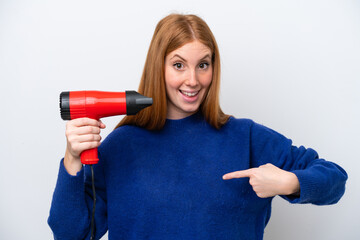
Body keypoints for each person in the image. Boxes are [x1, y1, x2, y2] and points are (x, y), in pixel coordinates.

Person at [48, 14, 348, 240]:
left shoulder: (246, 138)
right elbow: (71, 234)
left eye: (203, 64)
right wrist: (73, 159)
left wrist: (288, 182)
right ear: (159, 67)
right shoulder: (121, 145)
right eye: (179, 65)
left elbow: (334, 179)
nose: (193, 80)